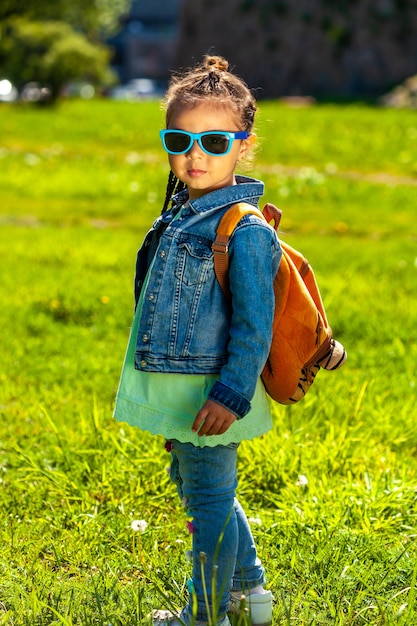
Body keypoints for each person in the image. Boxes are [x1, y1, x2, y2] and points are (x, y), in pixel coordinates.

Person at [114, 55, 281, 626]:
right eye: (179, 138)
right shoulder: (182, 215)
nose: (194, 154)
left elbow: (255, 325)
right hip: (181, 391)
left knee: (207, 502)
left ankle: (204, 615)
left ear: (243, 144)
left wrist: (232, 395)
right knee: (199, 487)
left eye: (214, 140)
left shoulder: (244, 229)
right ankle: (250, 591)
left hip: (213, 393)